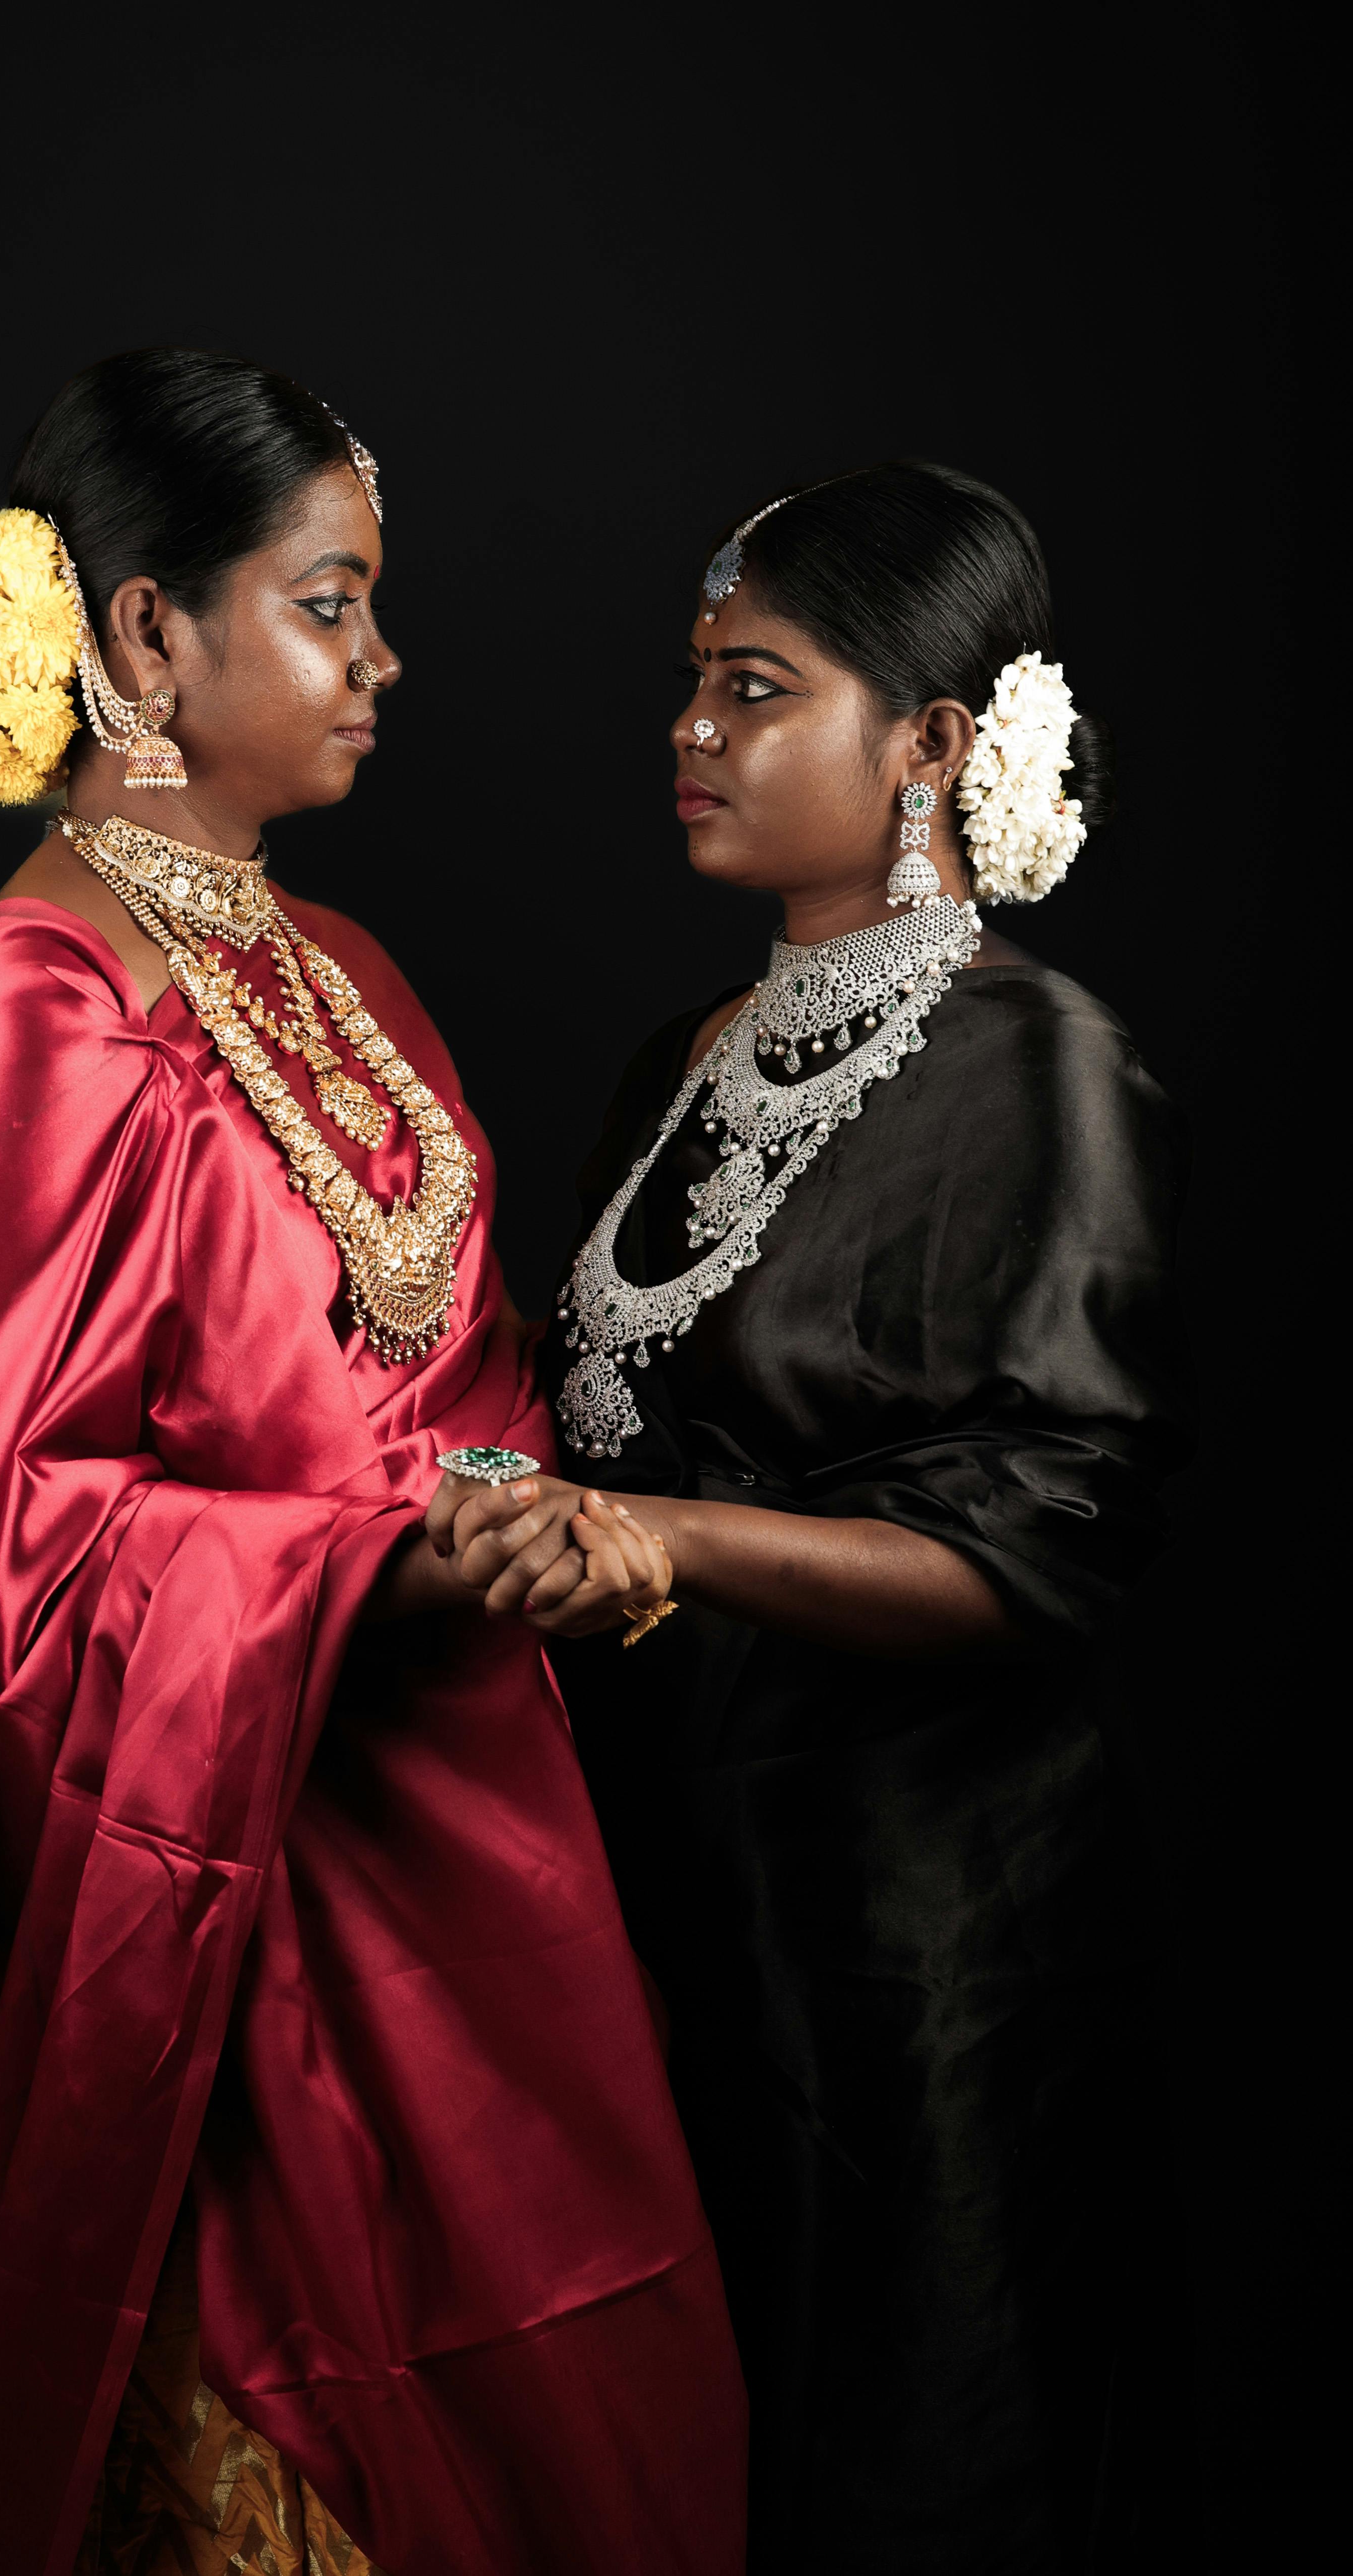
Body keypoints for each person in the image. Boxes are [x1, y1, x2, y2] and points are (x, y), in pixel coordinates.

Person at [0, 347, 745, 2576]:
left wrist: (550, 1522)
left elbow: (461, 1376)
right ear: (145, 637)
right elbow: (17, 1561)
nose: (384, 659)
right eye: (331, 603)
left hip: (474, 1851)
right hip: (224, 1908)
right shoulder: (32, 1009)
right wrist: (385, 1565)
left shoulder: (344, 967)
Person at [439, 462, 1191, 2570]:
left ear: (933, 744)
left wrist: (658, 1545)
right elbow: (581, 1430)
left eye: (752, 688)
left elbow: (1034, 1550)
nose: (689, 733)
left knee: (907, 2468)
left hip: (924, 1966)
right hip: (675, 1923)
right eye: (691, 684)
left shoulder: (1039, 1066)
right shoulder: (681, 1062)